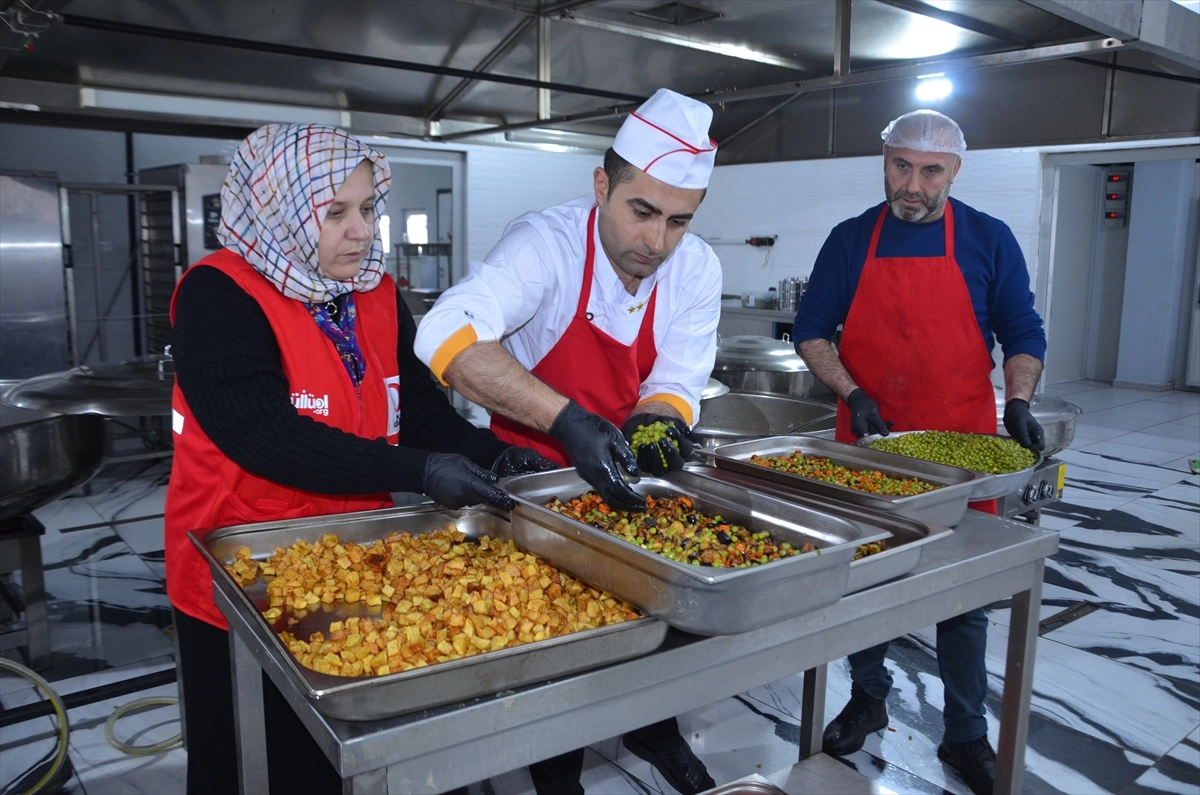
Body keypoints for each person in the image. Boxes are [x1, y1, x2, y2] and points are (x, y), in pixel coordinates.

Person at [164, 123, 556, 794]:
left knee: (340, 762)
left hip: (357, 564)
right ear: (281, 211)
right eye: (335, 212)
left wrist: (497, 456)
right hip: (244, 573)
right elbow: (262, 434)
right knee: (250, 763)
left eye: (369, 208)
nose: (362, 231)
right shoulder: (219, 295)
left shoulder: (373, 291)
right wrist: (419, 472)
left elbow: (420, 412)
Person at [414, 88, 721, 795]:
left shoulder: (697, 267)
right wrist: (566, 420)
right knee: (559, 642)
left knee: (658, 618)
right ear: (602, 185)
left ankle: (656, 730)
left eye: (678, 221)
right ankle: (559, 778)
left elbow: (676, 379)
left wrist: (655, 423)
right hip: (534, 485)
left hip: (625, 481)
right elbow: (445, 334)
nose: (656, 242)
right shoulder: (544, 246)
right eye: (641, 211)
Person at [792, 109, 1046, 795]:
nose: (912, 185)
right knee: (867, 578)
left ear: (954, 171)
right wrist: (852, 392)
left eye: (930, 171)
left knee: (964, 596)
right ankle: (867, 697)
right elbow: (811, 330)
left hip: (963, 449)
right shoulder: (851, 239)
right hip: (870, 446)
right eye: (900, 166)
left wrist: (1019, 400)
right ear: (885, 161)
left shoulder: (988, 239)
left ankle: (964, 730)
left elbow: (1023, 330)